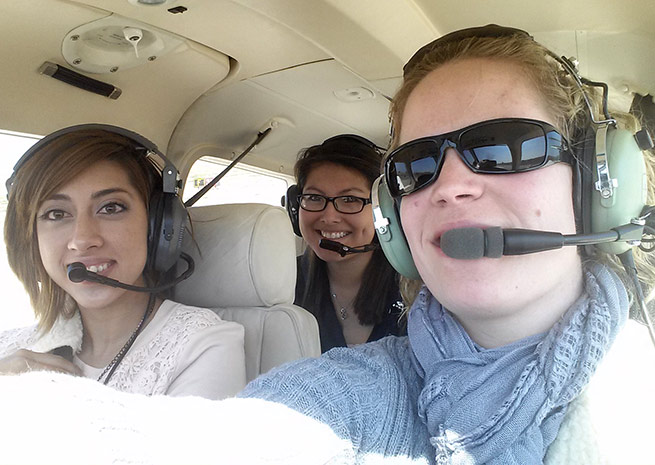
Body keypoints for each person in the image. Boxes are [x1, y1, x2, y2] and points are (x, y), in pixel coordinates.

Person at [1, 24, 654, 465]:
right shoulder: (355, 384)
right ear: (398, 212)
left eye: (503, 148)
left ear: (600, 184)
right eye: (416, 167)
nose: (451, 185)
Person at [0, 125, 246, 399]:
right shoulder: (10, 352)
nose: (82, 240)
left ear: (158, 227)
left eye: (111, 208)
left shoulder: (201, 345)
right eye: (57, 214)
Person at [290, 135, 406, 352]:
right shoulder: (281, 284)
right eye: (314, 198)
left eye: (350, 199)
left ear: (383, 209)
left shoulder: (413, 289)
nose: (329, 217)